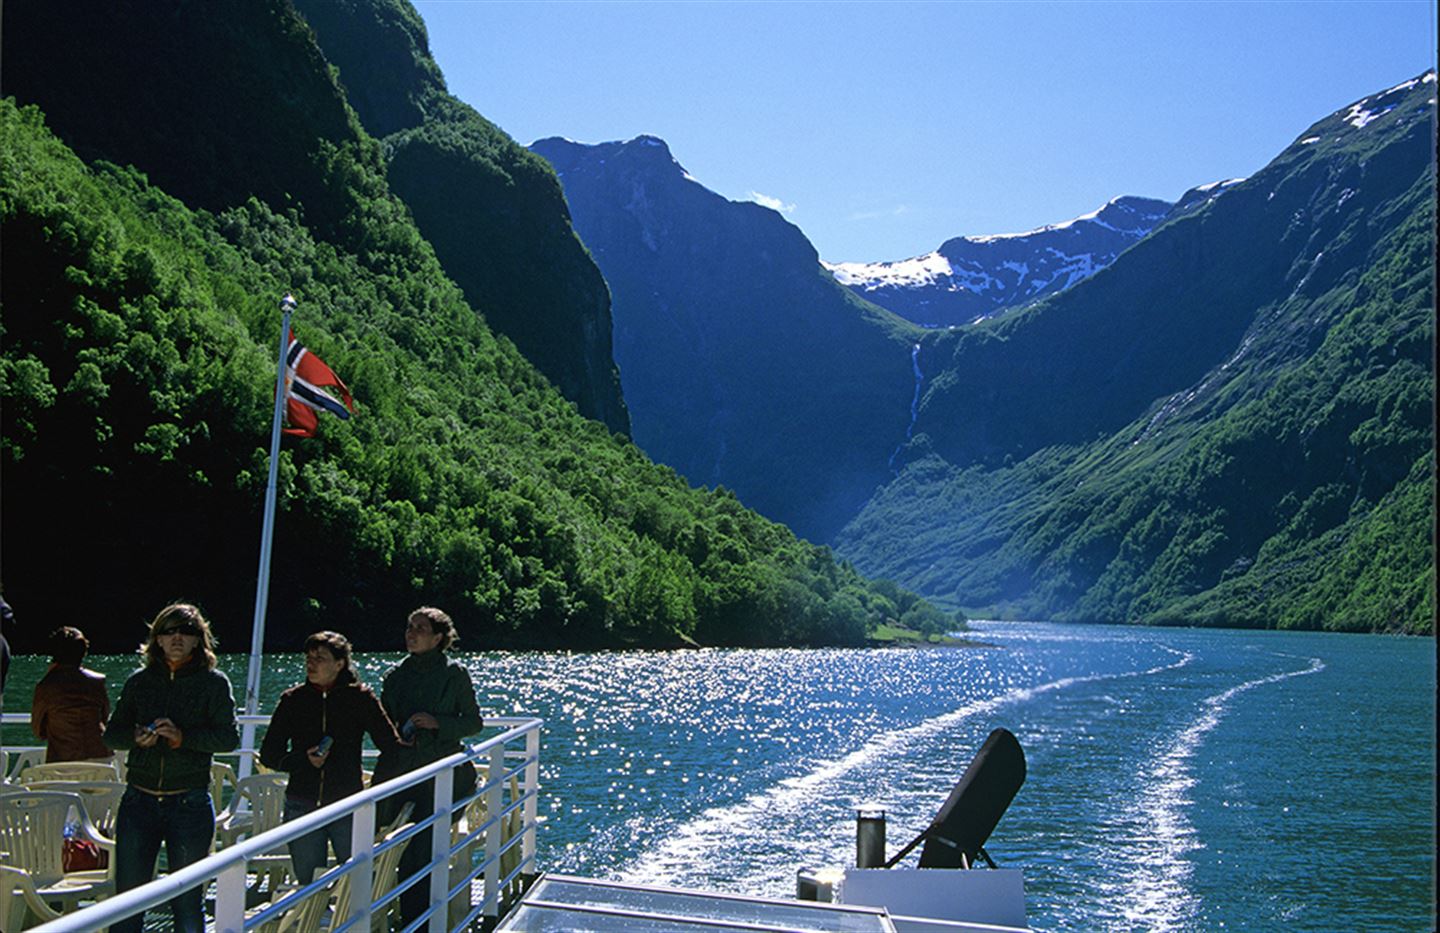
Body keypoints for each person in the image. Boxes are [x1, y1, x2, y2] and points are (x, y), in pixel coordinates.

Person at [103, 603, 239, 933]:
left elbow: (228, 738)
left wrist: (183, 738)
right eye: (169, 631)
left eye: (187, 631)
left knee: (188, 901)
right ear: (157, 640)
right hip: (139, 801)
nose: (177, 637)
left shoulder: (214, 683)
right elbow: (112, 734)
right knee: (128, 901)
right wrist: (136, 736)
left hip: (189, 802)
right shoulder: (139, 682)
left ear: (199, 640)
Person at [259, 630, 408, 884]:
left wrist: (375, 792)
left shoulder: (360, 698)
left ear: (340, 664)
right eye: (308, 656)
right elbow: (269, 755)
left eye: (320, 657)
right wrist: (303, 761)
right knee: (309, 886)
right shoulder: (292, 700)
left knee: (357, 883)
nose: (311, 663)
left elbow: (392, 748)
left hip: (348, 803)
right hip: (302, 803)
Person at [373, 606, 484, 924]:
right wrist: (397, 736)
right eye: (409, 627)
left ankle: (415, 921)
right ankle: (368, 909)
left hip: (444, 772)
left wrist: (438, 723)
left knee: (419, 847)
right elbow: (384, 723)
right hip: (401, 769)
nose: (411, 633)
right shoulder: (395, 676)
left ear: (438, 638)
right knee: (374, 833)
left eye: (420, 628)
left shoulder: (454, 674)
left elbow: (474, 723)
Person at [31, 626, 112, 762]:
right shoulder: (97, 682)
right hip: (100, 755)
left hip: (63, 759)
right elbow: (104, 717)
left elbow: (38, 730)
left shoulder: (46, 686)